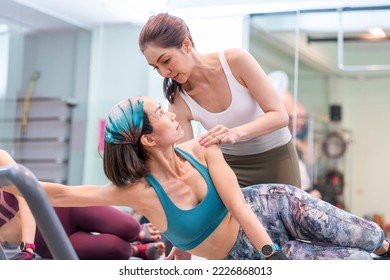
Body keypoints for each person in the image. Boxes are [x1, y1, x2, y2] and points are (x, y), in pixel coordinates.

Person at [1, 96, 390, 260]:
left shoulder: (204, 146)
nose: (173, 115)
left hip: (274, 207)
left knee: (372, 240)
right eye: (162, 113)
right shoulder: (140, 193)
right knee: (355, 263)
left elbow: (238, 202)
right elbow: (63, 192)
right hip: (249, 252)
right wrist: (9, 178)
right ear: (149, 138)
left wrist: (269, 253)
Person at [138, 13, 301, 188]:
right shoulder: (179, 101)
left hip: (278, 158)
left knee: (288, 214)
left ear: (186, 44)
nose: (164, 72)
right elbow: (186, 159)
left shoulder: (236, 61)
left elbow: (280, 116)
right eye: (156, 68)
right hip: (231, 168)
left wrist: (235, 133)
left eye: (166, 60)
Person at [0, 189, 165, 260]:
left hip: (65, 208)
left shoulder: (1, 158)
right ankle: (135, 250)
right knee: (117, 249)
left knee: (130, 226)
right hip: (51, 243)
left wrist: (27, 246)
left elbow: (22, 196)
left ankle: (137, 234)